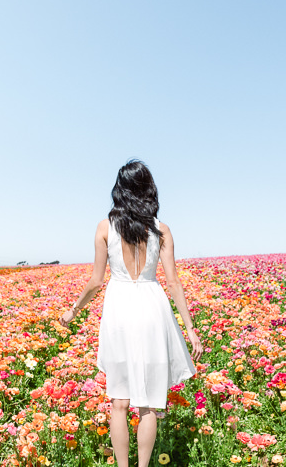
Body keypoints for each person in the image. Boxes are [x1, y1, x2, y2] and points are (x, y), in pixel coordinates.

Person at [59, 160, 203, 467]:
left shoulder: (104, 227)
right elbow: (174, 282)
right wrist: (190, 328)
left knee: (119, 400)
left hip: (120, 310)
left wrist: (73, 310)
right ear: (148, 189)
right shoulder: (161, 230)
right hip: (153, 307)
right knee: (149, 403)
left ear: (119, 190)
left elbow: (96, 281)